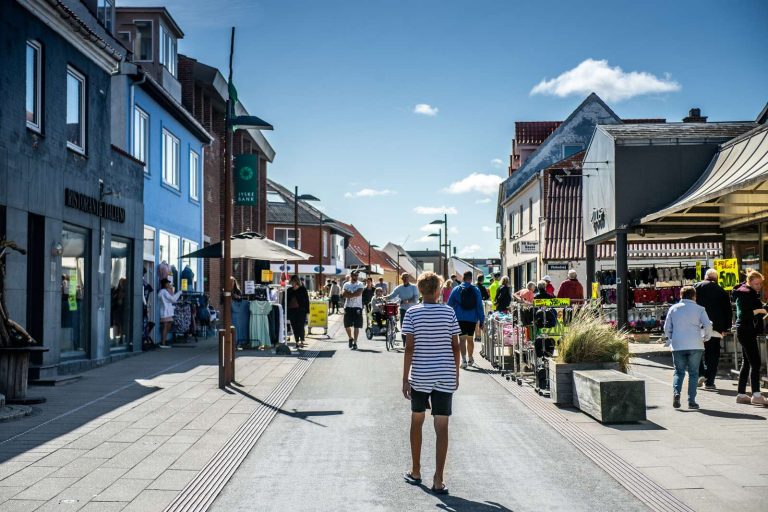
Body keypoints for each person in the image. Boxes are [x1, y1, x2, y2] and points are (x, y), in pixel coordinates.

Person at [401, 272, 460, 495]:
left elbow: (409, 348)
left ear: (420, 290)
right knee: (442, 426)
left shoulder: (412, 313)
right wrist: (456, 373)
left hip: (421, 375)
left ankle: (416, 470)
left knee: (417, 421)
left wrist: (405, 378)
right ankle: (438, 479)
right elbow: (455, 346)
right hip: (444, 374)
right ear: (438, 291)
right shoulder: (449, 312)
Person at [663, 286, 712, 409]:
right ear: (694, 296)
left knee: (678, 372)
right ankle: (691, 401)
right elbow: (707, 325)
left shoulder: (673, 309)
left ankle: (676, 393)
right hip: (695, 344)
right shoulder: (700, 309)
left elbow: (666, 327)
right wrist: (706, 337)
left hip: (678, 345)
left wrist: (671, 337)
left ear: (681, 295)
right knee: (694, 373)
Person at [733, 270, 768, 406]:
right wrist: (760, 310)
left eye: (760, 284)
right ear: (749, 282)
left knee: (747, 363)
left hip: (746, 330)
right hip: (746, 330)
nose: (758, 286)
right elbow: (744, 314)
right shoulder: (745, 293)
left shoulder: (748, 292)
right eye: (756, 283)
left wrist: (763, 309)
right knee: (756, 363)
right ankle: (756, 395)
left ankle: (741, 394)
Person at [694, 269, 732, 390]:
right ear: (716, 279)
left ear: (705, 277)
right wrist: (726, 327)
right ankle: (710, 381)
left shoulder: (696, 287)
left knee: (697, 352)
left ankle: (700, 373)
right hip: (716, 328)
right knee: (713, 354)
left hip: (697, 326)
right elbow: (728, 311)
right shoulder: (722, 291)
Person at [447, 271, 485, 369]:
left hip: (459, 318)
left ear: (463, 278)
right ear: (471, 279)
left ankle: (463, 360)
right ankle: (470, 358)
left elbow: (449, 304)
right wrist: (482, 320)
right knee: (470, 339)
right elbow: (479, 306)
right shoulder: (476, 290)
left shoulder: (456, 289)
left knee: (462, 339)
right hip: (472, 318)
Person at [342, 271, 365, 349]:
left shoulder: (360, 284)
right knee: (347, 325)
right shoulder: (346, 284)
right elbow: (343, 295)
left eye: (357, 275)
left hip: (357, 307)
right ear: (351, 276)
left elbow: (358, 294)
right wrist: (352, 294)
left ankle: (355, 342)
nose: (355, 277)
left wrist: (349, 294)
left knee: (356, 326)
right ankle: (350, 338)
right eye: (354, 275)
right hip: (347, 307)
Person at [287, 276, 310, 348]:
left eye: (293, 282)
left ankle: (302, 340)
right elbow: (286, 301)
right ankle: (297, 341)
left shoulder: (303, 289)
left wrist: (307, 311)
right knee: (294, 326)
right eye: (291, 282)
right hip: (292, 311)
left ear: (296, 281)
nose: (292, 283)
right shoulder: (289, 290)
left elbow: (307, 300)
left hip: (301, 310)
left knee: (300, 326)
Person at [158, 278, 182, 348]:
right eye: (168, 283)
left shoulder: (162, 292)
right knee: (166, 326)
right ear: (164, 284)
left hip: (166, 311)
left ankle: (164, 341)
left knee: (168, 325)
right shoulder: (164, 292)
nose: (169, 284)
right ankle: (163, 342)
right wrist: (179, 292)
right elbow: (173, 299)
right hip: (166, 312)